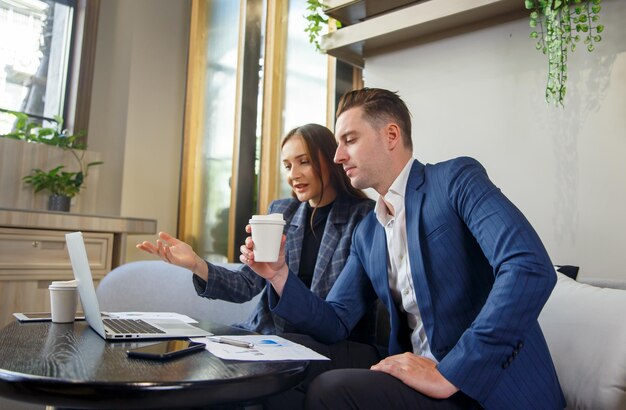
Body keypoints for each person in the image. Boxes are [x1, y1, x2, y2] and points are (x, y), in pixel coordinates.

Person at [240, 88, 566, 409]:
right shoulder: (368, 232)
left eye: (349, 140)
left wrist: (451, 373)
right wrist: (279, 275)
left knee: (331, 389)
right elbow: (336, 321)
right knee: (275, 361)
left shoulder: (454, 181)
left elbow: (527, 266)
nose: (338, 156)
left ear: (391, 135)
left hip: (482, 386)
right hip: (414, 380)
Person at [136, 123, 376, 341]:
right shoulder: (282, 212)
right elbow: (246, 284)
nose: (293, 175)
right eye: (288, 166)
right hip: (267, 334)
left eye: (304, 161)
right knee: (194, 348)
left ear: (331, 159)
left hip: (321, 340)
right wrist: (196, 264)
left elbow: (341, 314)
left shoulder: (363, 218)